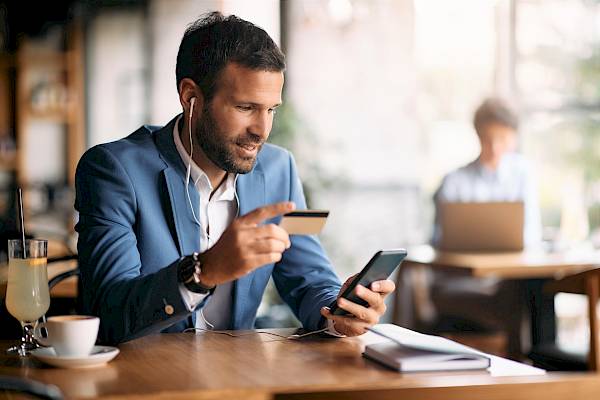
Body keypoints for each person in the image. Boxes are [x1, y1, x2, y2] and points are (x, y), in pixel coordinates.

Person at [75, 12, 395, 345]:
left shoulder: (279, 170)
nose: (262, 130)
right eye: (246, 107)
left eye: (272, 109)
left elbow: (311, 279)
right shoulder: (112, 170)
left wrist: (340, 310)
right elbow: (107, 313)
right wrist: (203, 272)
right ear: (190, 97)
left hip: (238, 379)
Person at [424, 98, 543, 355]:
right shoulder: (454, 182)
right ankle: (523, 363)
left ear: (514, 137)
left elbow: (531, 234)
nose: (495, 147)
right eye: (488, 138)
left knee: (536, 287)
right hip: (462, 280)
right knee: (525, 296)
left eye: (503, 138)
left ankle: (542, 364)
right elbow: (438, 241)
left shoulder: (523, 174)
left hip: (508, 279)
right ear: (477, 135)